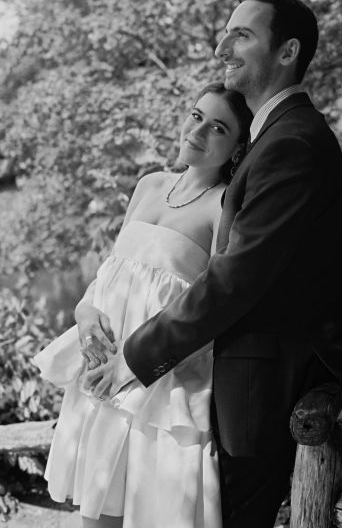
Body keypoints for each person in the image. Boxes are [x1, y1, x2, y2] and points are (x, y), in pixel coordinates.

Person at [84, 0, 342, 527]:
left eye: (242, 34)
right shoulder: (278, 138)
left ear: (286, 52)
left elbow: (238, 276)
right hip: (249, 381)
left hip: (266, 387)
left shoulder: (293, 143)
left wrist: (136, 358)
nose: (222, 47)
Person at [33, 82, 253, 528]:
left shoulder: (222, 206)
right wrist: (84, 309)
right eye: (196, 117)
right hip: (100, 372)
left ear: (236, 148)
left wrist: (139, 368)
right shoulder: (150, 184)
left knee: (144, 514)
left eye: (218, 128)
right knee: (93, 514)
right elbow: (110, 272)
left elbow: (213, 304)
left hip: (156, 383)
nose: (199, 131)